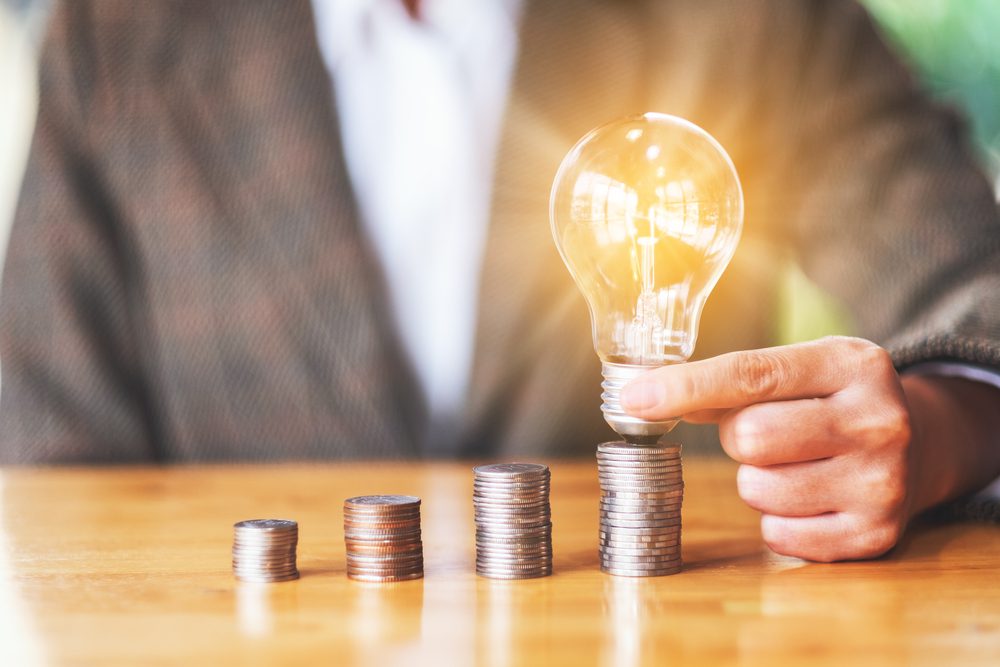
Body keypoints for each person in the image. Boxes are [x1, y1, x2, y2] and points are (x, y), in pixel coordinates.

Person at [1, 0, 998, 562]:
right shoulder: (118, 40)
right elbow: (41, 455)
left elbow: (977, 284)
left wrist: (946, 420)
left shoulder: (744, 22)